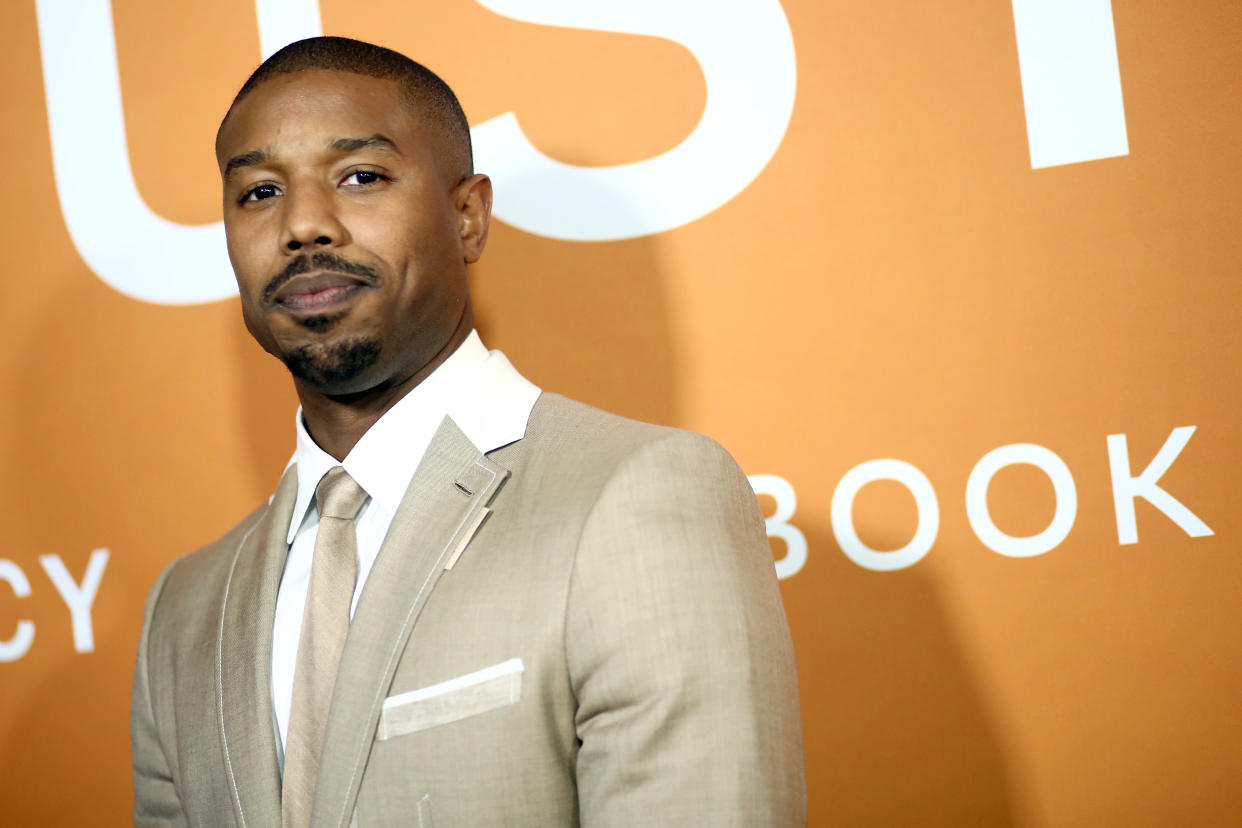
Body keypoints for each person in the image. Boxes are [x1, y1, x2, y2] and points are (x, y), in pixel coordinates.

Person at [130, 35, 805, 827]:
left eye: (360, 177)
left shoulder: (636, 497)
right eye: (258, 194)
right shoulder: (184, 609)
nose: (304, 225)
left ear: (468, 216)